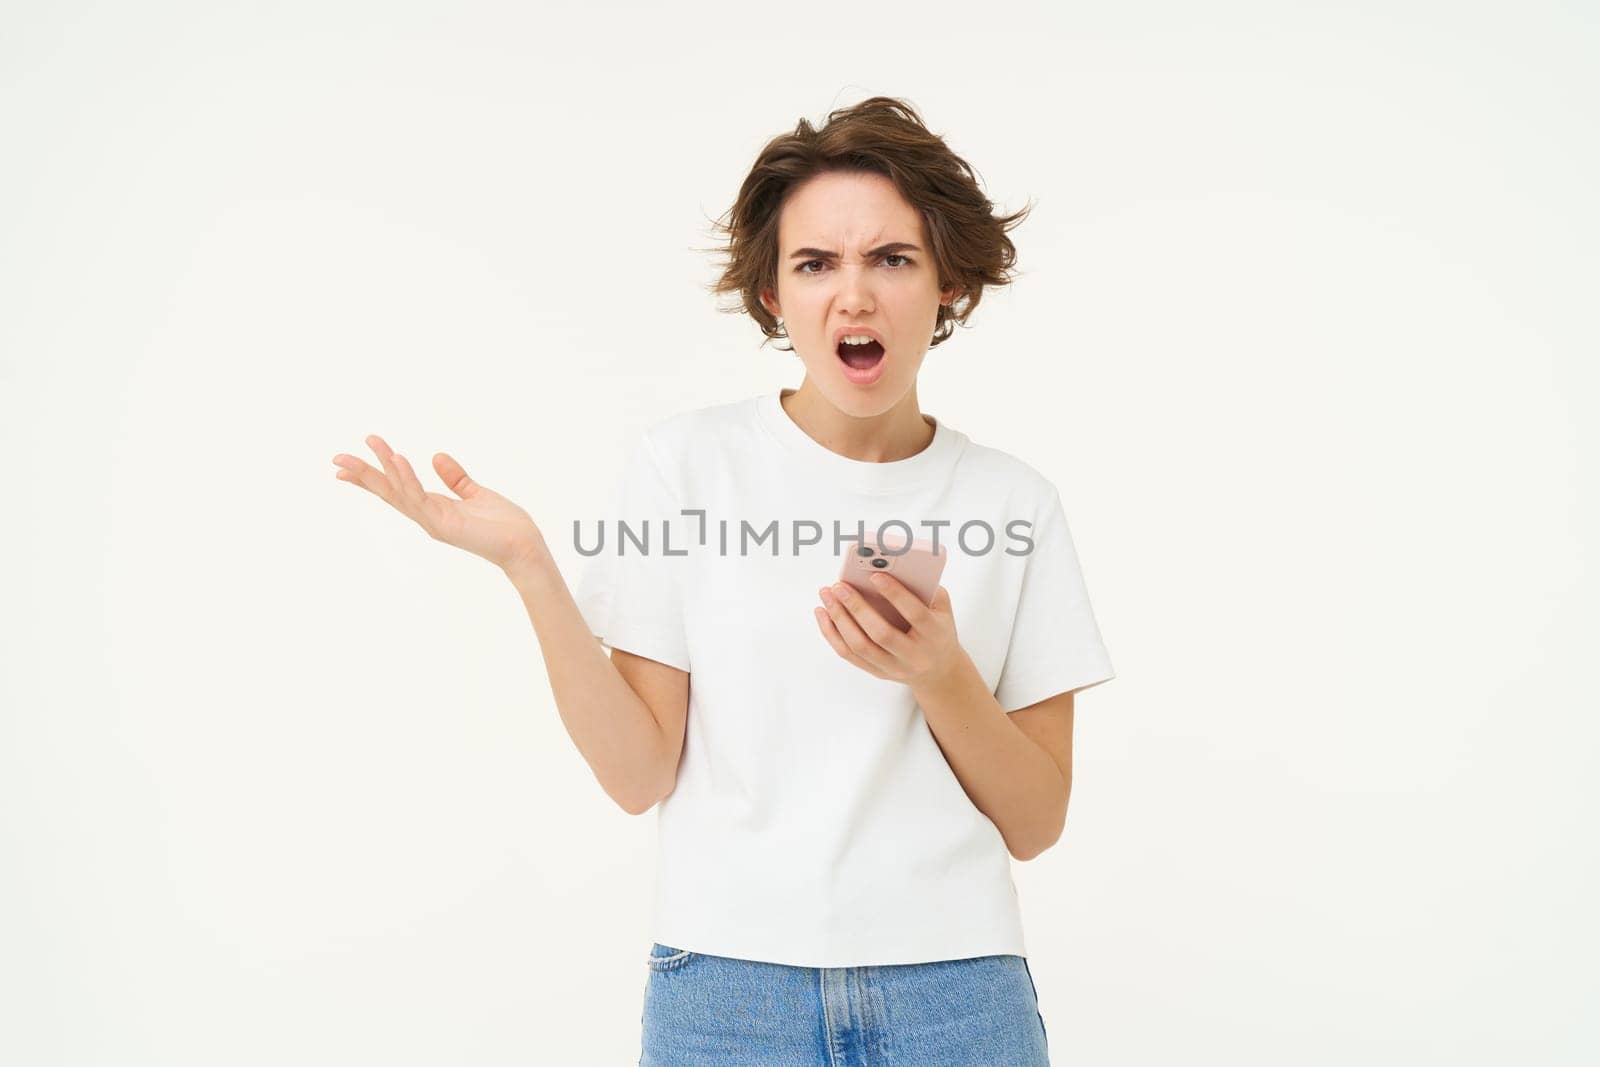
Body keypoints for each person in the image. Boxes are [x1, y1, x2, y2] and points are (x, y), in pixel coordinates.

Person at [332, 96, 1114, 1066]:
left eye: (891, 258)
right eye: (815, 263)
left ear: (948, 282)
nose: (854, 294)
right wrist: (529, 565)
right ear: (774, 296)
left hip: (957, 993)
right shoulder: (686, 469)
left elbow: (1036, 821)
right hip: (730, 996)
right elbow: (636, 774)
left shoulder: (1014, 500)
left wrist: (939, 670)